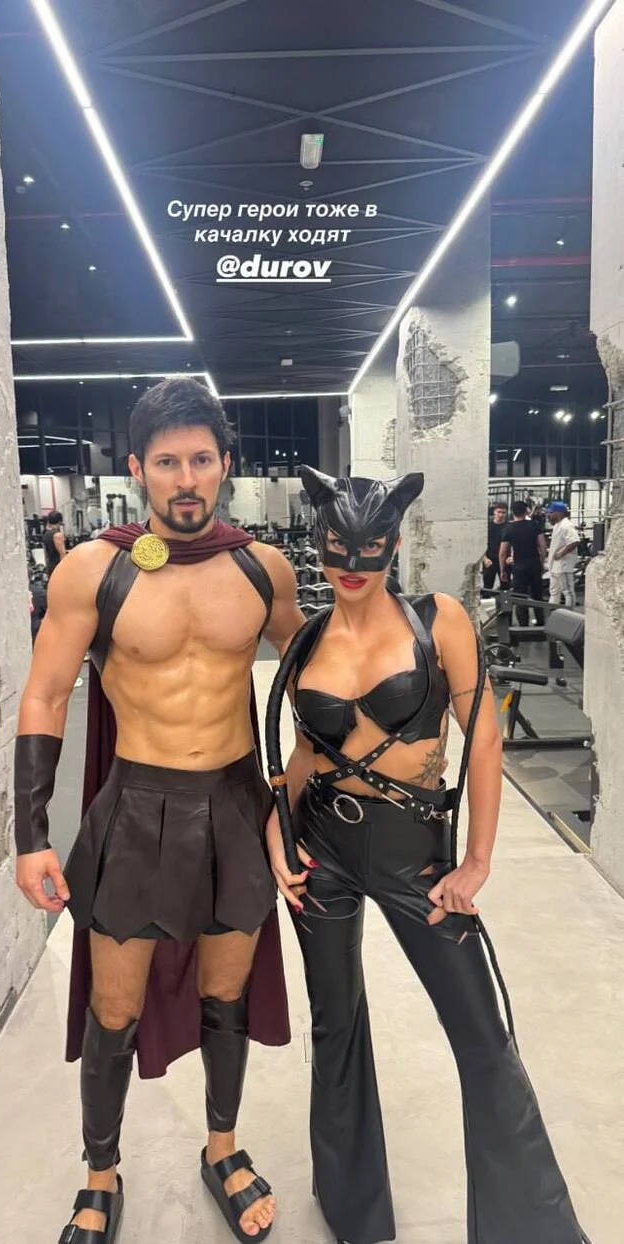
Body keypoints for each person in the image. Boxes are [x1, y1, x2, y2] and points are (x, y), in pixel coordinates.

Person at [264, 467, 589, 1244]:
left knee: (482, 1038)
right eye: (337, 546)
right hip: (322, 847)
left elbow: (483, 738)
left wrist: (476, 860)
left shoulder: (437, 620)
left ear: (395, 541)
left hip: (417, 853)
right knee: (334, 1025)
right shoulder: (308, 638)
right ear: (319, 541)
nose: (352, 564)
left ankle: (532, 1231)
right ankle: (354, 1213)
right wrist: (277, 831)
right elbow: (303, 754)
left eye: (370, 547)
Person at [14, 378, 304, 1243]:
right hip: (137, 809)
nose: (186, 479)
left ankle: (222, 1148)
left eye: (201, 460)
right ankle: (100, 1174)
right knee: (114, 1007)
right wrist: (31, 834)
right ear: (137, 469)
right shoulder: (91, 569)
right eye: (168, 462)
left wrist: (304, 797)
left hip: (234, 805)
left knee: (227, 994)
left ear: (225, 465)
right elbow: (45, 695)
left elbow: (316, 678)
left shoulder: (262, 568)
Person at [499, 499, 547, 626]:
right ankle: (541, 623)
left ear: (512, 512)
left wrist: (502, 569)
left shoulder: (509, 528)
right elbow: (542, 545)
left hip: (519, 566)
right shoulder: (534, 525)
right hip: (534, 564)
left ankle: (523, 625)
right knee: (537, 595)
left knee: (520, 597)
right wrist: (542, 562)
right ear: (526, 511)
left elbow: (503, 552)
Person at [546, 501, 579, 609]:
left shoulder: (566, 525)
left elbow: (574, 541)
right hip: (556, 566)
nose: (548, 515)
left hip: (563, 565)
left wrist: (561, 553)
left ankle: (570, 614)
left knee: (567, 591)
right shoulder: (558, 525)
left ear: (558, 513)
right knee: (554, 592)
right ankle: (553, 614)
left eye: (550, 513)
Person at [482, 501, 508, 592]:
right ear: (494, 512)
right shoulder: (487, 526)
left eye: (503, 512)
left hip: (505, 561)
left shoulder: (509, 527)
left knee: (506, 588)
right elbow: (481, 544)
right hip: (490, 560)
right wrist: (484, 558)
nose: (501, 515)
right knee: (487, 588)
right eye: (499, 512)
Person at [43, 509, 67, 578]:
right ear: (59, 521)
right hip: (58, 567)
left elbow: (46, 554)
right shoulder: (58, 535)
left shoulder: (45, 534)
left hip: (50, 566)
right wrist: (64, 570)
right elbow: (62, 554)